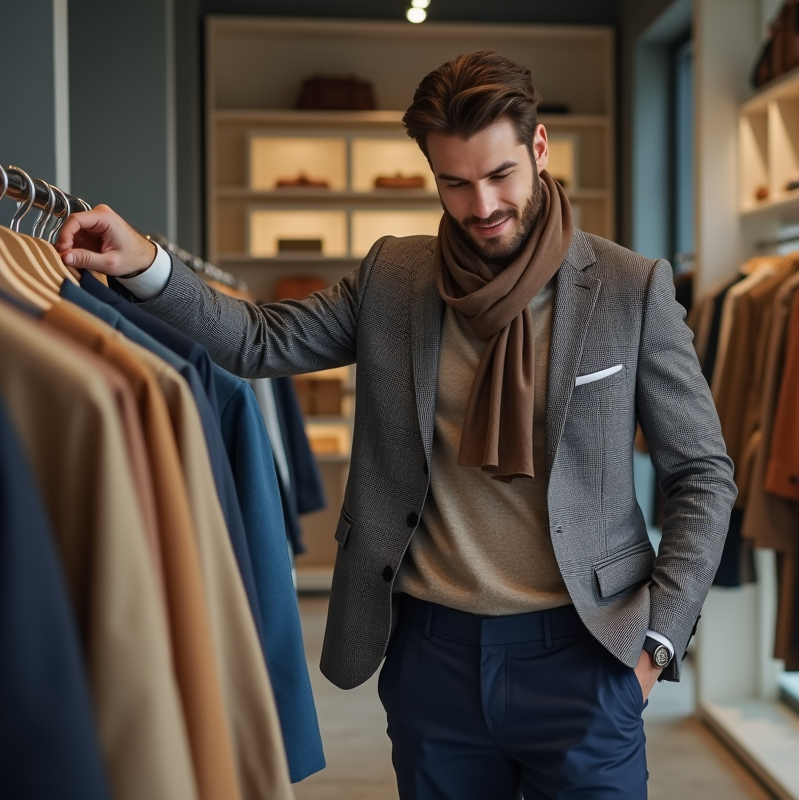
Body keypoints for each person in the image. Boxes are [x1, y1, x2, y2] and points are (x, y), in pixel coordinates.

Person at [56, 50, 736, 799]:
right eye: (455, 183)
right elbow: (256, 341)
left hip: (586, 653)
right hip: (433, 656)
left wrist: (656, 645)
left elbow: (701, 473)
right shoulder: (394, 278)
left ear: (539, 150)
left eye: (500, 175)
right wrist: (142, 263)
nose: (481, 206)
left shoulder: (628, 288)